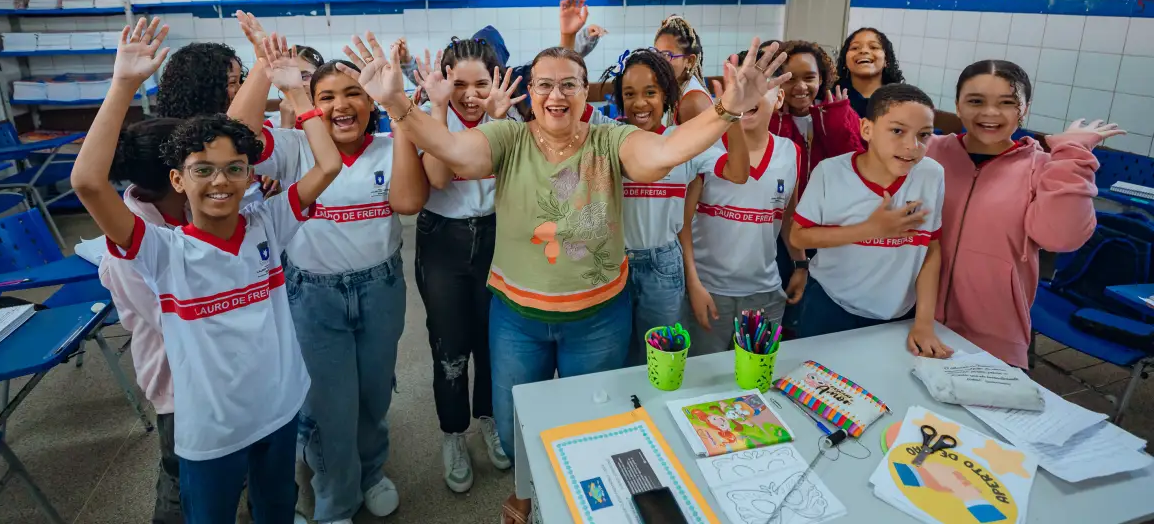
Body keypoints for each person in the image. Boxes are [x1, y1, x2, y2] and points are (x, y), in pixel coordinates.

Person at [339, 32, 791, 524]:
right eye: (544, 85)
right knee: (514, 431)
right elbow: (453, 148)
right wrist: (398, 105)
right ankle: (530, 493)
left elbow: (660, 155)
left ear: (586, 92)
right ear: (529, 93)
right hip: (517, 319)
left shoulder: (610, 139)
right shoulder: (507, 137)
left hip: (597, 318)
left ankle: (575, 504)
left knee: (590, 421)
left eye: (569, 85)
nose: (556, 95)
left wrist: (726, 109)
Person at [71, 19, 342, 524]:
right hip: (212, 434)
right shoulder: (162, 250)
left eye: (235, 168)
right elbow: (88, 183)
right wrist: (123, 85)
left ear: (250, 174)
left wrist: (294, 96)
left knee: (277, 511)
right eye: (203, 170)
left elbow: (326, 168)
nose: (221, 181)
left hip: (280, 412)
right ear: (177, 178)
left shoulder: (266, 223)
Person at [229, 38, 428, 522]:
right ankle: (336, 497)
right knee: (330, 404)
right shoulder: (295, 148)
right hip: (313, 295)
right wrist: (266, 73)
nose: (342, 105)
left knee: (374, 393)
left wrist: (400, 111)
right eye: (327, 96)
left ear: (371, 101)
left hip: (381, 289)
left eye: (354, 93)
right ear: (311, 107)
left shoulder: (387, 147)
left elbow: (407, 202)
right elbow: (234, 133)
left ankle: (371, 471)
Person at [927, 60, 1124, 367]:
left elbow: (1061, 237)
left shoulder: (1043, 168)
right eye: (976, 101)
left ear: (1025, 109)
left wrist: (1073, 156)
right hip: (915, 319)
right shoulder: (927, 152)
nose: (990, 113)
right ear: (957, 105)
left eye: (1007, 103)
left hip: (995, 335)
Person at [410, 38, 524, 493]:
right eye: (459, 84)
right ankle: (452, 434)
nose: (470, 94)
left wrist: (497, 120)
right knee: (449, 346)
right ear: (444, 81)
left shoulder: (510, 120)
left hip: (498, 236)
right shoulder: (430, 117)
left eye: (482, 83)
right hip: (444, 239)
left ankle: (488, 420)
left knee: (493, 340)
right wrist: (437, 110)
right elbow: (437, 178)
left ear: (497, 81)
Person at [600, 48, 751, 365]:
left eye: (650, 92)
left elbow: (738, 173)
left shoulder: (683, 141)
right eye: (630, 94)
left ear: (667, 96)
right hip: (613, 264)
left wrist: (732, 114)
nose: (640, 103)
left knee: (661, 359)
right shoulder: (609, 137)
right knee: (613, 360)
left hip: (663, 266)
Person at [790, 83, 951, 358]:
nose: (912, 146)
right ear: (867, 129)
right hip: (831, 304)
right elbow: (799, 236)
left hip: (897, 312)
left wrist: (924, 322)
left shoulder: (931, 175)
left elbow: (931, 249)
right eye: (897, 131)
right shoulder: (831, 172)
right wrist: (870, 229)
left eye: (924, 135)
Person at [684, 50, 807, 354]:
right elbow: (682, 225)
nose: (747, 95)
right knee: (705, 382)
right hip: (710, 292)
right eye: (739, 85)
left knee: (757, 382)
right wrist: (694, 285)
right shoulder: (707, 149)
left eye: (758, 87)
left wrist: (801, 265)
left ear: (778, 99)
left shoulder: (790, 152)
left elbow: (788, 216)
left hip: (765, 294)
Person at [98, 117, 185, 524]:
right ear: (176, 176)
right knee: (181, 476)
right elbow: (174, 320)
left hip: (220, 372)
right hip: (177, 382)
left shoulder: (178, 212)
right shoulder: (132, 242)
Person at [768, 40, 862, 191]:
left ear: (820, 79)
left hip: (828, 206)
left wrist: (835, 123)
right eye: (790, 79)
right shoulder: (767, 116)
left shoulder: (842, 112)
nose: (800, 87)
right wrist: (779, 123)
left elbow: (858, 167)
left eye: (809, 78)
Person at [156, 41, 245, 119]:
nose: (241, 88)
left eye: (240, 81)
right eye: (232, 82)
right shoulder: (196, 135)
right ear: (204, 89)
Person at [835, 27, 906, 119]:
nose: (863, 51)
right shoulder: (831, 98)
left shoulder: (902, 101)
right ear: (844, 61)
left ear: (886, 60)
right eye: (855, 47)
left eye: (874, 47)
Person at [654, 14, 712, 124]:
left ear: (689, 61)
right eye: (657, 54)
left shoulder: (692, 102)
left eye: (667, 55)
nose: (659, 62)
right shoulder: (677, 89)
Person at [274, 44, 325, 128]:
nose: (297, 84)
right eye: (290, 77)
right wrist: (286, 125)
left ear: (322, 77)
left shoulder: (334, 117)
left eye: (304, 76)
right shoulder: (272, 125)